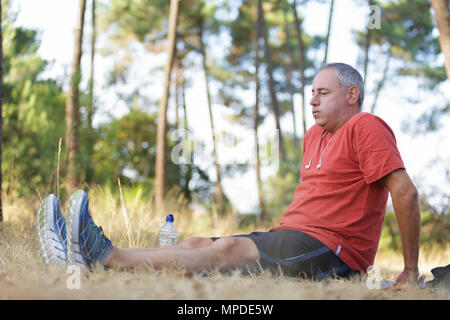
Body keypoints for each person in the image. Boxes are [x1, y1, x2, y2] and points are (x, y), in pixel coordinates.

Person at [36, 63, 422, 284]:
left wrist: (409, 269)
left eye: (323, 92)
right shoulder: (314, 136)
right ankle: (79, 253)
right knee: (192, 244)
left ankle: (102, 255)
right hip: (292, 239)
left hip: (335, 251)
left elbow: (405, 193)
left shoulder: (366, 125)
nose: (312, 99)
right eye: (311, 92)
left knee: (227, 250)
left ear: (351, 95)